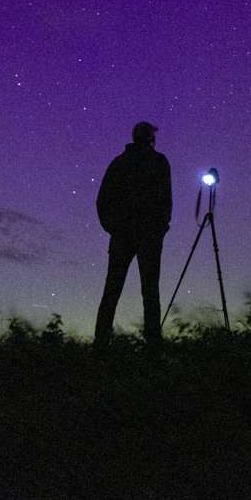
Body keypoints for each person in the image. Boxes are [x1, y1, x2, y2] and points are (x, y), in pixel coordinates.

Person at [93, 121, 172, 348]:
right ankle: (153, 345)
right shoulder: (158, 162)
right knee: (150, 291)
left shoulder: (119, 163)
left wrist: (114, 227)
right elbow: (166, 199)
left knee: (112, 290)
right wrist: (161, 227)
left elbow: (102, 200)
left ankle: (101, 343)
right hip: (146, 236)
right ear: (150, 139)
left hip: (124, 235)